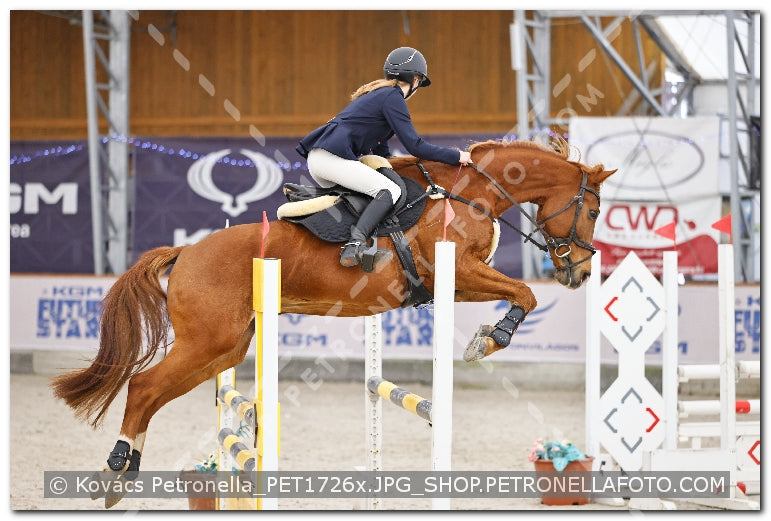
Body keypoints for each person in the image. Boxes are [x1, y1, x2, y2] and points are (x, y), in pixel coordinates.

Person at [296, 46, 472, 269]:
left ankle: (366, 243)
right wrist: (456, 156)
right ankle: (355, 244)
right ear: (415, 79)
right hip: (331, 160)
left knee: (378, 191)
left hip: (324, 160)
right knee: (390, 191)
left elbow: (381, 151)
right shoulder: (392, 97)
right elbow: (416, 146)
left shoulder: (381, 95)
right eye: (418, 80)